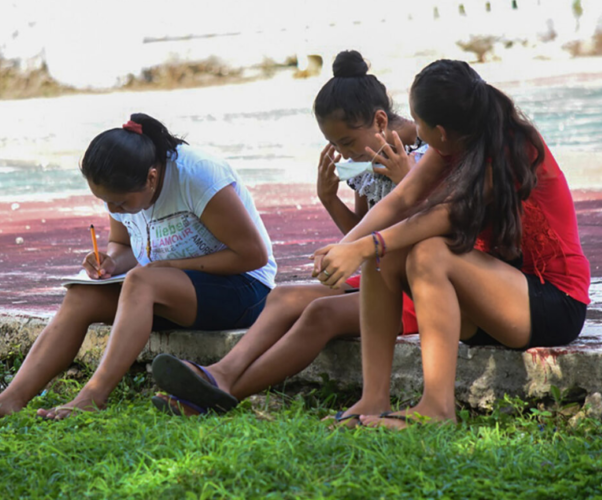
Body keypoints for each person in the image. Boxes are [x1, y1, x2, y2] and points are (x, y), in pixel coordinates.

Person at [310, 59, 590, 429]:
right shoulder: (451, 142)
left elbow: (443, 216)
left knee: (429, 252)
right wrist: (344, 248)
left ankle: (437, 410)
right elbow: (401, 200)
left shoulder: (510, 148)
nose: (414, 130)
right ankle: (373, 398)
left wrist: (365, 246)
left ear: (440, 131)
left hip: (553, 304)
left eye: (418, 122)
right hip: (496, 299)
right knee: (386, 255)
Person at [0, 113, 277, 420]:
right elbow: (126, 247)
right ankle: (10, 399)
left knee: (143, 280)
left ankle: (93, 396)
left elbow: (252, 255)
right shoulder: (125, 184)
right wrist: (111, 260)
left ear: (152, 177)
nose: (115, 208)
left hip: (243, 290)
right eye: (106, 202)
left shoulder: (197, 175)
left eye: (121, 202)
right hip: (170, 290)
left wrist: (169, 266)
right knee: (81, 295)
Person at [150, 50, 424, 416]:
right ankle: (220, 373)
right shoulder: (369, 155)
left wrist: (404, 180)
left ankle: (214, 397)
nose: (343, 154)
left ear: (378, 119)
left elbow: (433, 225)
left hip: (416, 288)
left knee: (319, 314)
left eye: (346, 142)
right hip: (380, 276)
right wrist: (328, 198)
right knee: (283, 297)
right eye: (336, 145)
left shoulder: (423, 154)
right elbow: (361, 231)